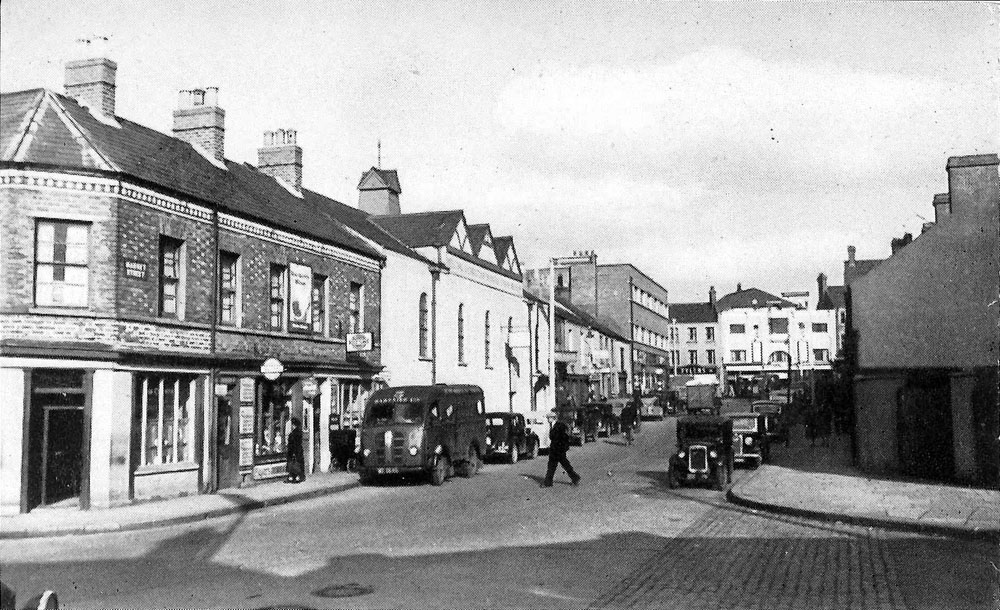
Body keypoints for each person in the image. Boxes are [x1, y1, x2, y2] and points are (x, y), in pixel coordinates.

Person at [543, 420, 580, 487]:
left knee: (553, 467)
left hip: (556, 451)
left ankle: (548, 482)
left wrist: (550, 426)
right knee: (562, 466)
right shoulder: (558, 428)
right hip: (558, 451)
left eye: (550, 418)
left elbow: (553, 436)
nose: (549, 419)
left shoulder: (557, 427)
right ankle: (575, 478)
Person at [285, 417, 305, 483]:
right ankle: (295, 477)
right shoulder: (297, 432)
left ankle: (296, 477)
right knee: (295, 464)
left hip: (294, 451)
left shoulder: (294, 433)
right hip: (296, 450)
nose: (292, 426)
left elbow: (293, 444)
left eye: (292, 424)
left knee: (294, 464)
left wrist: (292, 451)